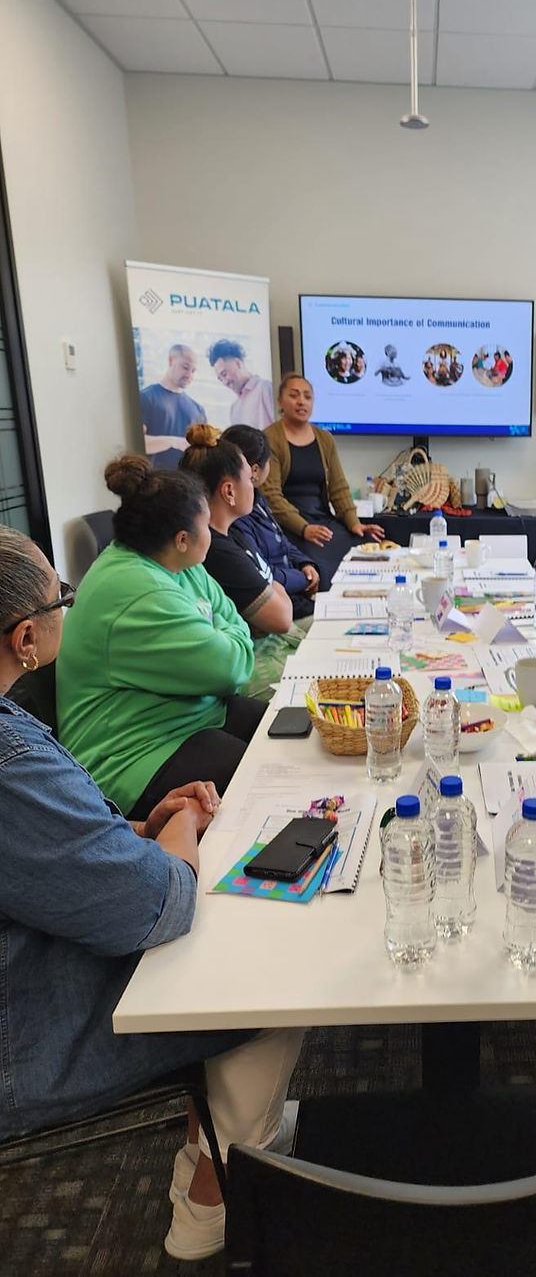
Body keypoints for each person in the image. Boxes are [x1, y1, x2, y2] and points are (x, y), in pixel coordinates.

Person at [0, 525, 303, 1261]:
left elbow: (40, 854)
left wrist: (140, 825)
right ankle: (219, 1190)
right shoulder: (10, 761)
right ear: (26, 637)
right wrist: (185, 826)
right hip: (27, 1025)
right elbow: (156, 903)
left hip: (41, 942)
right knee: (276, 944)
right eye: (61, 599)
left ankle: (223, 1136)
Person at [57, 457, 265, 819]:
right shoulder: (139, 590)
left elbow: (229, 619)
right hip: (130, 756)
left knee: (282, 730)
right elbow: (234, 667)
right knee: (262, 776)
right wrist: (227, 635)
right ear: (182, 539)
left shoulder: (175, 563)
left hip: (181, 716)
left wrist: (227, 634)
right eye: (206, 525)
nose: (212, 533)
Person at [180, 425, 304, 701]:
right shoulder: (217, 550)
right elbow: (281, 618)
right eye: (249, 478)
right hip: (251, 664)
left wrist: (274, 589)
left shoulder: (231, 536)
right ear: (229, 491)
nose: (255, 486)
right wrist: (274, 589)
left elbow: (274, 592)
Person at [262, 372, 385, 583]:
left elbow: (338, 487)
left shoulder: (324, 438)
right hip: (290, 526)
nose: (301, 401)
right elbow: (271, 496)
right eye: (294, 395)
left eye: (307, 397)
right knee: (319, 562)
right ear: (280, 401)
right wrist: (304, 528)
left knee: (366, 546)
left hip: (322, 519)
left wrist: (354, 523)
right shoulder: (270, 438)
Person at [223, 424, 319, 620]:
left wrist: (304, 563)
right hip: (282, 607)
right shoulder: (237, 518)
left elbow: (283, 541)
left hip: (291, 595)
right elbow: (264, 573)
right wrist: (304, 579)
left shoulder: (257, 499)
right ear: (254, 470)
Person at [139, 343, 206, 469]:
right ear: (171, 360)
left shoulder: (198, 409)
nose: (189, 374)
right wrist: (173, 442)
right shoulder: (146, 398)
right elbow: (137, 443)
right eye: (185, 367)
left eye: (193, 370)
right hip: (155, 482)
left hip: (188, 483)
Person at [207, 337, 275, 429]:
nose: (225, 382)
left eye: (224, 374)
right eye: (220, 379)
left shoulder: (265, 388)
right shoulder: (234, 409)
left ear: (238, 363)